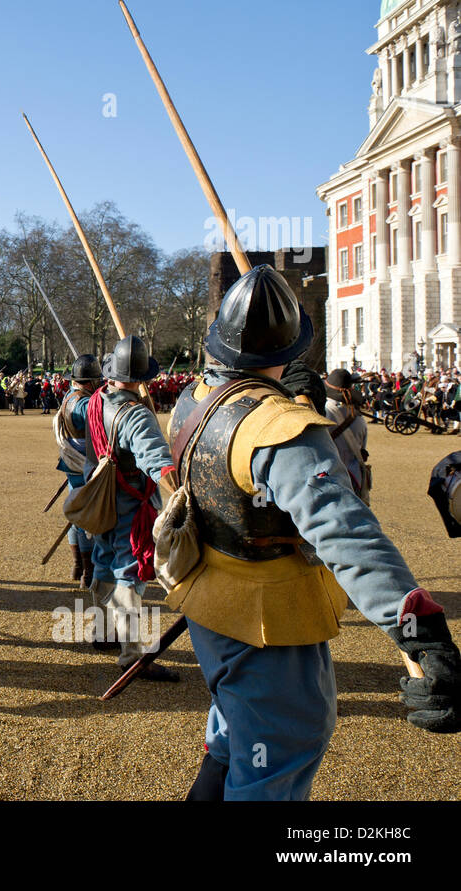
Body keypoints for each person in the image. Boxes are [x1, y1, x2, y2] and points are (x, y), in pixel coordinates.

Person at [166, 265, 460, 801]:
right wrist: (420, 631)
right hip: (269, 616)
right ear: (296, 346)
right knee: (279, 750)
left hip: (209, 597)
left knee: (235, 735)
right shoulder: (284, 429)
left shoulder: (192, 401)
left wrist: (287, 399)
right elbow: (345, 534)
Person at [85, 335, 177, 680]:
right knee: (129, 571)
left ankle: (103, 631)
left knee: (104, 560)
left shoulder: (97, 399)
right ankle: (132, 655)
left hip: (102, 495)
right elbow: (159, 464)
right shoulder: (135, 415)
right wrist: (181, 493)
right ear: (142, 377)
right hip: (129, 499)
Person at [55, 355, 102, 587]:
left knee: (76, 517)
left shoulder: (70, 395)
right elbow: (99, 417)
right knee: (83, 519)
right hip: (83, 463)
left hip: (74, 463)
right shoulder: (83, 403)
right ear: (91, 381)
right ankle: (88, 572)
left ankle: (78, 566)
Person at [322, 368, 370, 505]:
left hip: (331, 476)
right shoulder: (359, 418)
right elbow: (363, 448)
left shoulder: (323, 413)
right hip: (355, 478)